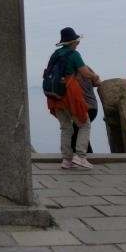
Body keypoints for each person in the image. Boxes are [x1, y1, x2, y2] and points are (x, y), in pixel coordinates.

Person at [47, 27, 101, 169]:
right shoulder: (74, 54)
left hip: (55, 95)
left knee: (66, 128)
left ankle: (66, 160)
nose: (77, 43)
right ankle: (80, 156)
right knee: (84, 123)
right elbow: (85, 72)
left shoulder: (55, 54)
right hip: (70, 94)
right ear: (72, 42)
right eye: (77, 41)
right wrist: (95, 76)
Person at [71, 69, 97, 153]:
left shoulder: (71, 73)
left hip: (85, 108)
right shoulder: (88, 70)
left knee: (77, 131)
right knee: (80, 131)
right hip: (93, 107)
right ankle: (87, 155)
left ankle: (83, 155)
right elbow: (98, 82)